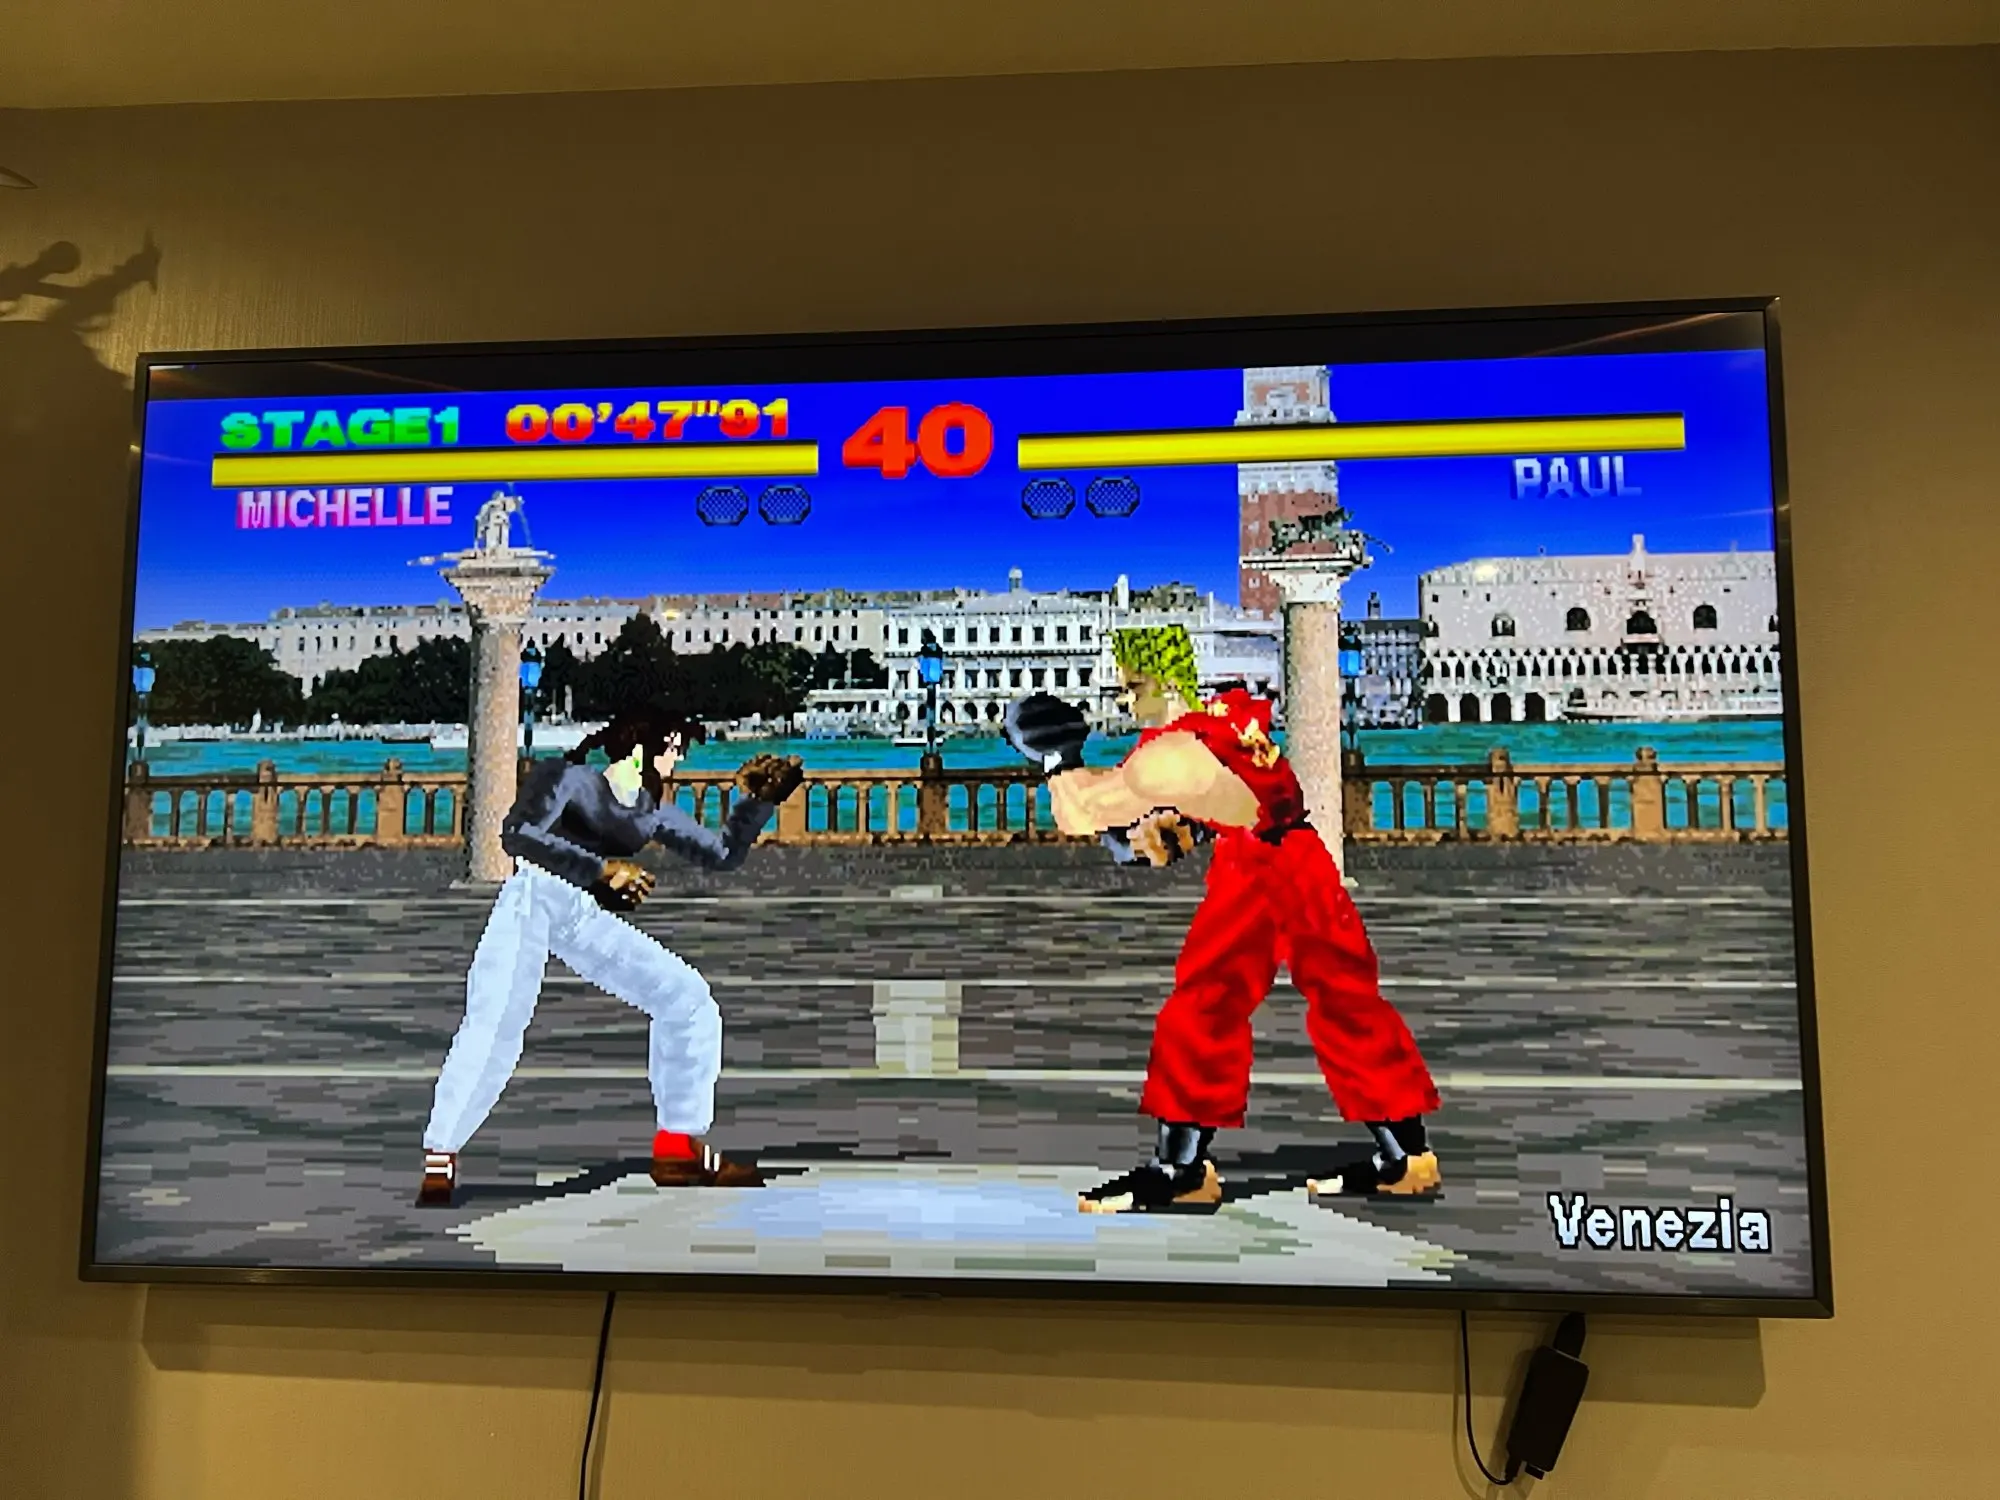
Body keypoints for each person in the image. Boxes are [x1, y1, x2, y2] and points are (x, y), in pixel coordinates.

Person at [1040, 624, 1441, 1214]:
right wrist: (1187, 826)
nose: (1124, 702)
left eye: (1132, 688)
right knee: (1346, 998)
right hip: (1298, 853)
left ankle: (1179, 1170)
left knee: (1205, 1004)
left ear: (1165, 682)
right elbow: (1241, 795)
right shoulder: (1225, 720)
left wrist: (1055, 755)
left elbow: (1081, 813)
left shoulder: (1166, 757)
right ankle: (1407, 1157)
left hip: (1257, 868)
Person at [417, 703, 803, 1207]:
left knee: (686, 998)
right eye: (672, 748)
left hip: (580, 913)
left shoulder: (650, 809)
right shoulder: (568, 778)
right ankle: (441, 1153)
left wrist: (757, 803)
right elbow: (518, 835)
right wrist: (600, 871)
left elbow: (721, 854)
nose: (677, 759)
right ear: (640, 744)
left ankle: (678, 1144)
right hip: (531, 898)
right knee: (496, 1021)